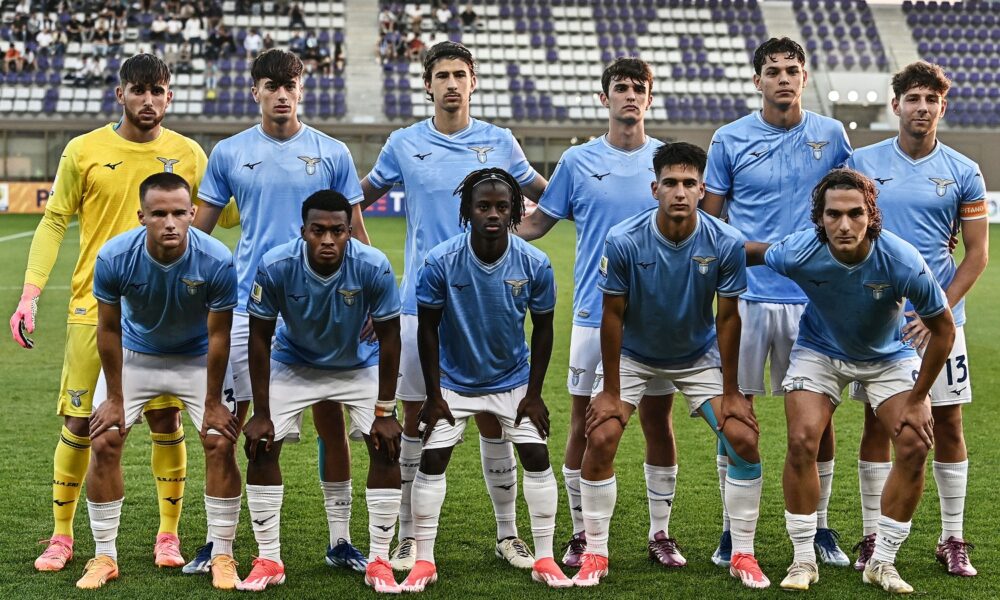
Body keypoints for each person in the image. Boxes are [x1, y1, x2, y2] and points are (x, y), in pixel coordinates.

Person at [10, 53, 207, 573]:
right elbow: (54, 221)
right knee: (81, 421)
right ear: (120, 94)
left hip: (163, 312)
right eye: (138, 89)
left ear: (170, 96)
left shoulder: (189, 153)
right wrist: (30, 294)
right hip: (91, 308)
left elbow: (220, 211)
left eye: (158, 90)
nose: (149, 99)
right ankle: (61, 535)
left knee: (165, 417)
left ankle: (168, 535)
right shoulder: (84, 150)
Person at [359, 40, 548, 572]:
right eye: (441, 75)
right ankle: (409, 538)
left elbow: (552, 197)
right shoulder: (403, 142)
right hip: (419, 305)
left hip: (489, 302)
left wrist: (516, 241)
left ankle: (508, 535)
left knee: (493, 417)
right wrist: (370, 266)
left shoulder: (500, 140)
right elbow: (353, 199)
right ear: (428, 85)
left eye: (459, 75)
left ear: (473, 82)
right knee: (416, 417)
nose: (451, 84)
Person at [190, 48, 368, 575]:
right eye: (271, 86)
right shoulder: (229, 152)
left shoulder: (332, 151)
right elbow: (200, 234)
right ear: (256, 92)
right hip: (250, 306)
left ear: (301, 90)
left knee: (330, 420)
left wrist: (369, 295)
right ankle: (218, 543)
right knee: (228, 425)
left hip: (325, 305)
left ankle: (340, 541)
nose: (282, 95)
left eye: (290, 85)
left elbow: (355, 231)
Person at [744, 168, 955, 593]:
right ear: (819, 218)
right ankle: (803, 558)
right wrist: (695, 250)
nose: (844, 224)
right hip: (820, 351)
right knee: (802, 439)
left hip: (887, 357)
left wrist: (918, 398)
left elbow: (944, 330)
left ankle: (883, 561)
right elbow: (753, 252)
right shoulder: (800, 250)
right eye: (833, 214)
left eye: (855, 213)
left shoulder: (901, 260)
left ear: (871, 214)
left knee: (915, 443)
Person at [575, 142, 768, 590]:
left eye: (688, 183)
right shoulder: (624, 238)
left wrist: (733, 391)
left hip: (696, 357)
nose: (679, 192)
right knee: (600, 435)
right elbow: (612, 315)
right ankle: (595, 552)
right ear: (654, 189)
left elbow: (728, 318)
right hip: (634, 355)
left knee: (742, 439)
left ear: (702, 189)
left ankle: (742, 552)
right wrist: (610, 391)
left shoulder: (725, 241)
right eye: (670, 183)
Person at [516, 57, 680, 568]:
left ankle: (660, 532)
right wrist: (483, 237)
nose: (630, 95)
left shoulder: (666, 163)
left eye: (638, 88)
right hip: (592, 314)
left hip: (656, 320)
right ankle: (580, 532)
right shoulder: (577, 160)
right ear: (603, 97)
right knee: (583, 425)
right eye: (621, 88)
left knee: (658, 421)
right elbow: (537, 224)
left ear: (650, 97)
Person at [702, 37, 852, 568]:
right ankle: (731, 532)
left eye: (792, 69)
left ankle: (822, 528)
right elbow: (710, 223)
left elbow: (853, 204)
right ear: (757, 81)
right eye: (773, 71)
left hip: (814, 299)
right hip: (745, 296)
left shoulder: (832, 135)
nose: (783, 78)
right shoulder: (729, 138)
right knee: (734, 411)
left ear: (805, 77)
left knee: (819, 418)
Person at [847, 61, 988, 576]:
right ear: (896, 105)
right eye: (913, 98)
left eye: (931, 99)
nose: (922, 108)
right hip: (878, 319)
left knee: (947, 421)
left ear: (942, 107)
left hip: (940, 321)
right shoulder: (862, 162)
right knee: (876, 421)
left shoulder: (963, 171)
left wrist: (936, 313)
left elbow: (976, 255)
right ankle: (870, 535)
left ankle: (952, 538)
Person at [403, 168, 569, 592]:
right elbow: (427, 330)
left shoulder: (534, 263)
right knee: (433, 459)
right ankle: (424, 561)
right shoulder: (440, 261)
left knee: (536, 454)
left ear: (515, 211)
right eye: (483, 206)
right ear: (467, 211)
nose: (493, 214)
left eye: (502, 206)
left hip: (512, 381)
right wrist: (434, 395)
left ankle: (545, 558)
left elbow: (544, 330)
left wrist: (534, 395)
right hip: (453, 383)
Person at [76, 173, 241, 590]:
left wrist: (213, 402)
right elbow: (107, 329)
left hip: (197, 357)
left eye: (179, 213)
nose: (170, 222)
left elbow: (219, 335)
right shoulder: (115, 256)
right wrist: (115, 397)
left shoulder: (217, 259)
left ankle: (222, 554)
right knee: (104, 439)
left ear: (192, 213)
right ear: (142, 216)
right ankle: (104, 556)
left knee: (220, 441)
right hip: (137, 354)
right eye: (159, 214)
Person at [239, 191, 404, 593]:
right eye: (318, 230)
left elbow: (391, 338)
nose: (327, 239)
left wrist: (385, 411)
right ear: (303, 231)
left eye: (337, 231)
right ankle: (269, 558)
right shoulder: (276, 264)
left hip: (357, 364)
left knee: (386, 447)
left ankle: (379, 560)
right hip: (294, 362)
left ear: (349, 232)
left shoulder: (373, 265)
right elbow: (259, 337)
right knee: (262, 445)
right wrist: (261, 411)